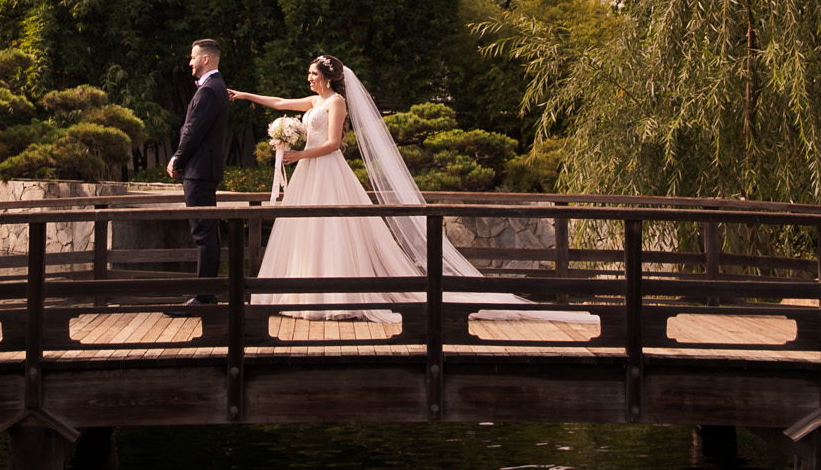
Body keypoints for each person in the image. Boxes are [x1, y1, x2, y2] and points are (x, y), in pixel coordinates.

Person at [229, 55, 575, 322]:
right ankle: (300, 295)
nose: (309, 79)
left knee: (332, 229)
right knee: (305, 231)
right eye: (308, 75)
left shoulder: (335, 102)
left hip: (327, 169)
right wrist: (245, 95)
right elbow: (280, 103)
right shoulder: (314, 103)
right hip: (307, 171)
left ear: (329, 77)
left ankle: (336, 296)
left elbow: (334, 143)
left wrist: (300, 153)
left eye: (313, 74)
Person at [167, 38, 230, 305]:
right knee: (205, 232)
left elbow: (193, 131)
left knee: (203, 233)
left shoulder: (209, 90)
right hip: (203, 168)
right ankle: (204, 293)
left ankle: (204, 295)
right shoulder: (216, 87)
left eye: (193, 57)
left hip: (199, 170)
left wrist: (177, 160)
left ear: (205, 59)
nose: (190, 62)